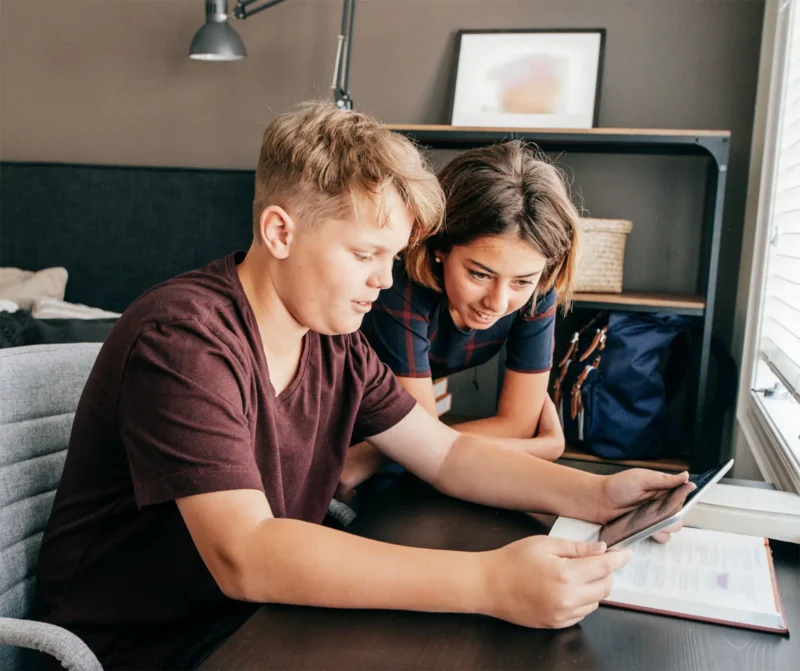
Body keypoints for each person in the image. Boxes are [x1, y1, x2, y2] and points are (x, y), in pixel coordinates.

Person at [37, 101, 688, 670]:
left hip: (253, 620)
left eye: (392, 256)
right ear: (280, 231)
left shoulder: (334, 343)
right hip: (144, 646)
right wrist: (491, 580)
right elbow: (247, 553)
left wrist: (601, 494)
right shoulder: (185, 337)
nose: (384, 280)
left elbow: (446, 454)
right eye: (365, 254)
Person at [343, 141, 577, 499]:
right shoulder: (400, 284)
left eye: (521, 282)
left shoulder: (537, 290)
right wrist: (542, 449)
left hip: (384, 444)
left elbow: (516, 424)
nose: (498, 303)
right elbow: (421, 444)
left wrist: (373, 456)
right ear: (440, 249)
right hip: (336, 427)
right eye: (480, 275)